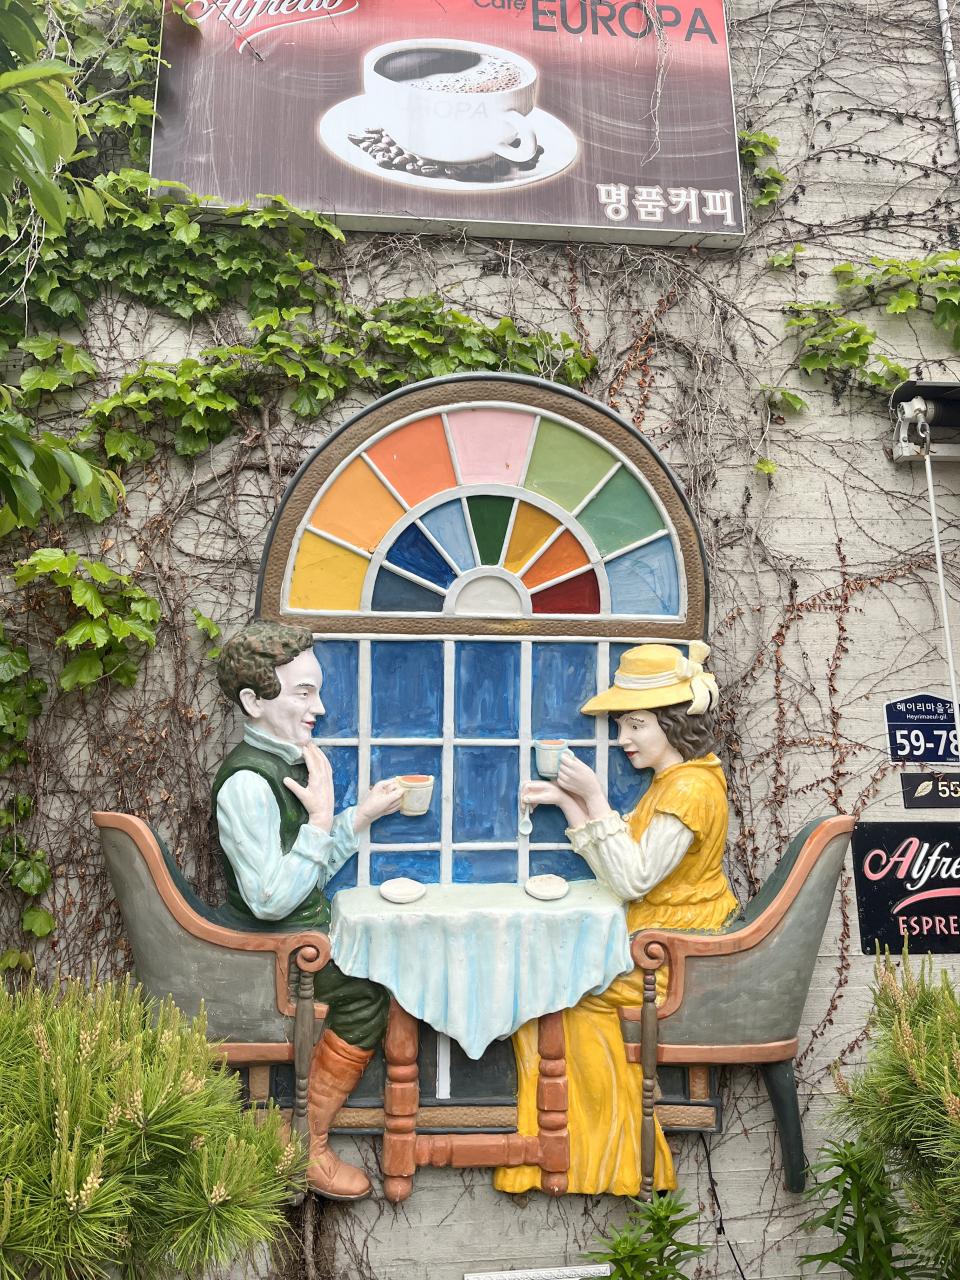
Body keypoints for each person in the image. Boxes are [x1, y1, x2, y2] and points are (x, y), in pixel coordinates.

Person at [493, 641, 739, 1197]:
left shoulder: (690, 790)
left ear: (672, 723)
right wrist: (569, 803)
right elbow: (626, 855)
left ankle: (599, 1157)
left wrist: (594, 796)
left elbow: (632, 878)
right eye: (622, 725)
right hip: (657, 944)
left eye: (635, 725)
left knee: (554, 996)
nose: (623, 738)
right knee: (545, 990)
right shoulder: (676, 782)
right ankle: (573, 1151)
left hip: (674, 959)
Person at [213, 620, 403, 1200]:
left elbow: (307, 870)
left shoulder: (290, 763)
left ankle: (301, 1138)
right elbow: (270, 899)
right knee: (369, 994)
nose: (318, 707)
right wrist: (320, 820)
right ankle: (307, 1145)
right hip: (270, 954)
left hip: (299, 941)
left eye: (316, 691)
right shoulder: (247, 783)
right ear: (254, 701)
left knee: (384, 968)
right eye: (303, 692)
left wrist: (357, 817)